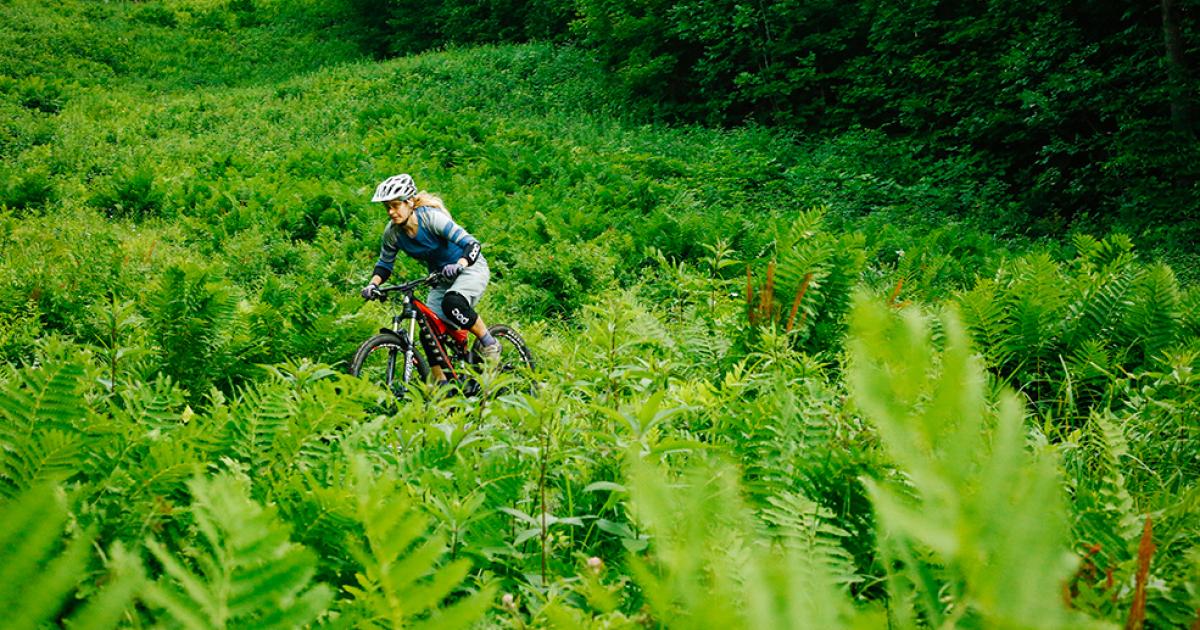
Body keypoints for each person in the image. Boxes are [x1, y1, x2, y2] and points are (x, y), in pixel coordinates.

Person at [360, 174, 501, 384]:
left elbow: (472, 244)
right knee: (427, 328)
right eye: (387, 207)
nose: (391, 212)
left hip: (470, 268)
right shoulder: (392, 234)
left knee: (453, 302)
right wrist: (373, 284)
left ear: (409, 202)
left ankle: (489, 343)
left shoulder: (430, 218)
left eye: (395, 205)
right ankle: (440, 385)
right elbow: (384, 265)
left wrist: (460, 264)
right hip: (440, 277)